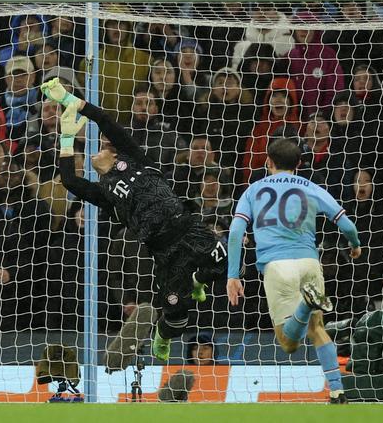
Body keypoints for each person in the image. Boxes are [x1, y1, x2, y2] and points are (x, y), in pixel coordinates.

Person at [41, 78, 227, 361]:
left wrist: (69, 100)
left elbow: (104, 118)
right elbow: (69, 180)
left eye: (102, 146)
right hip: (163, 251)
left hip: (187, 227)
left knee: (226, 263)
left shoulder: (137, 159)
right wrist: (66, 138)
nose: (97, 148)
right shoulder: (105, 194)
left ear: (114, 153)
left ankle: (198, 279)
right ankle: (162, 336)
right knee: (175, 315)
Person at [226, 138, 362, 404]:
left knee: (289, 344)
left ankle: (304, 307)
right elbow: (346, 223)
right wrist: (355, 245)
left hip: (278, 267)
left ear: (268, 162)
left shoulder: (254, 190)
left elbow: (235, 233)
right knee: (317, 327)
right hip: (310, 263)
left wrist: (233, 275)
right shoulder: (311, 187)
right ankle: (337, 390)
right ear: (299, 164)